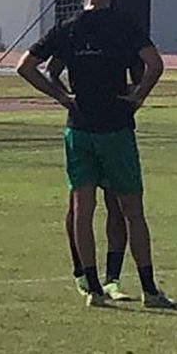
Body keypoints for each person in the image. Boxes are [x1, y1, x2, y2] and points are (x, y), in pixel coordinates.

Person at [16, 0, 173, 308]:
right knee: (132, 208)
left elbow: (25, 66)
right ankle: (149, 289)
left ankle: (94, 289)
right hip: (116, 126)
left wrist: (61, 97)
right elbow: (155, 65)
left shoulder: (70, 27)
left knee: (82, 208)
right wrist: (138, 97)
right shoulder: (124, 23)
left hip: (79, 127)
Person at [47, 56, 136, 300]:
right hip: (82, 128)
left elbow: (142, 69)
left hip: (114, 128)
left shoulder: (122, 30)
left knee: (116, 205)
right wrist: (65, 97)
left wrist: (133, 96)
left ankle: (112, 279)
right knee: (79, 206)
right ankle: (83, 272)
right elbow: (49, 70)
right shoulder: (73, 32)